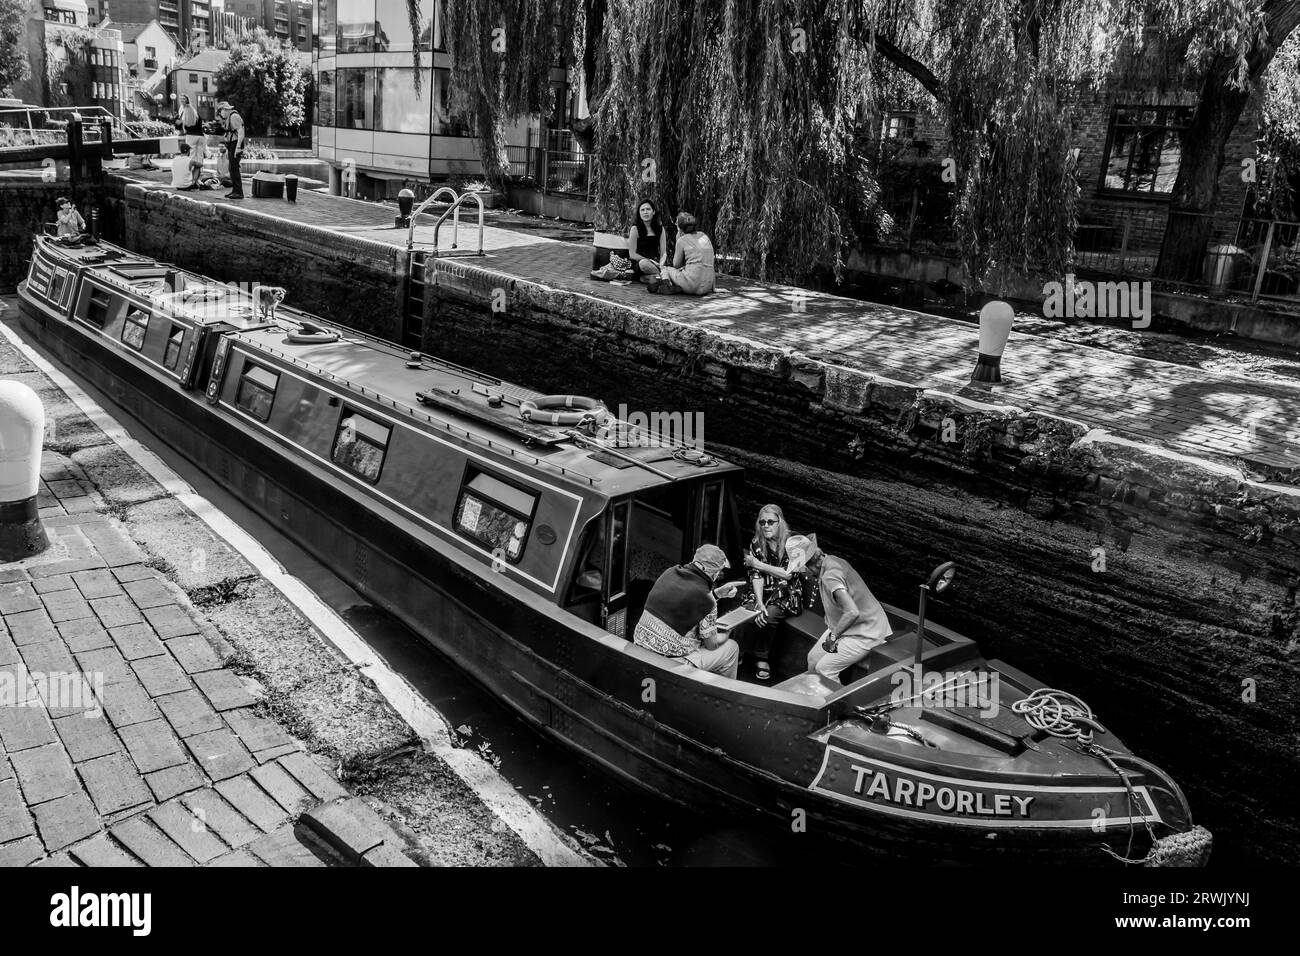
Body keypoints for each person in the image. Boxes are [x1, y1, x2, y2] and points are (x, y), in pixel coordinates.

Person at [784, 535, 891, 685]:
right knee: (813, 659)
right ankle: (812, 697)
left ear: (808, 565)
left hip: (866, 632)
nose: (800, 572)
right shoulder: (830, 559)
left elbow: (852, 612)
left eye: (799, 567)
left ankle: (838, 707)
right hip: (845, 628)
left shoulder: (830, 578)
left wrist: (833, 638)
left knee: (824, 669)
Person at [632, 544, 741, 679]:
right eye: (719, 572)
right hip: (668, 662)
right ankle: (723, 693)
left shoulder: (669, 572)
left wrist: (716, 594)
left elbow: (684, 600)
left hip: (639, 646)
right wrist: (728, 631)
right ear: (714, 573)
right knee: (731, 648)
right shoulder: (707, 601)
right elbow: (712, 645)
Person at [741, 504, 808, 681]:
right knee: (749, 610)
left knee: (769, 616)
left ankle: (761, 658)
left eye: (771, 522)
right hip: (764, 589)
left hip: (788, 592)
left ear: (780, 522)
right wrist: (759, 602)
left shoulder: (797, 542)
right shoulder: (756, 542)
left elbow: (788, 575)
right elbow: (756, 575)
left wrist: (757, 564)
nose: (766, 526)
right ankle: (739, 651)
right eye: (762, 522)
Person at [651, 211, 715, 296]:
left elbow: (676, 265)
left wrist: (678, 240)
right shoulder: (704, 236)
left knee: (665, 269)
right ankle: (676, 286)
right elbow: (709, 264)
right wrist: (714, 288)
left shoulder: (682, 240)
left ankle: (667, 285)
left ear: (679, 228)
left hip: (691, 285)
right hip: (707, 287)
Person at [626, 199, 668, 281]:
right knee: (644, 263)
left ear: (654, 212)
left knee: (653, 276)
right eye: (642, 210)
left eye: (648, 209)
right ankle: (663, 276)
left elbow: (663, 253)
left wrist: (661, 264)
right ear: (639, 213)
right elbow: (632, 254)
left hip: (655, 264)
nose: (645, 212)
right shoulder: (635, 229)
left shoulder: (660, 229)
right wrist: (648, 260)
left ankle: (653, 278)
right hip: (640, 264)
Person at [217, 101, 245, 200]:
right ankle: (235, 190)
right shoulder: (229, 117)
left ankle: (239, 192)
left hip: (236, 143)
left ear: (225, 110)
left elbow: (241, 133)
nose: (220, 114)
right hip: (232, 143)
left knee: (234, 168)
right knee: (231, 168)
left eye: (220, 112)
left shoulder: (234, 117)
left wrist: (237, 147)